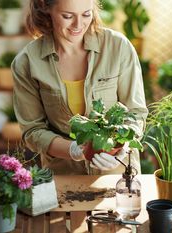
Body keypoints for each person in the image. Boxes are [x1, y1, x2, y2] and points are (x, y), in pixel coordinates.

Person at [12, 0, 148, 175]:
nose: (78, 25)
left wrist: (124, 145)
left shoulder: (118, 47)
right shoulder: (27, 62)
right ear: (47, 8)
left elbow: (135, 112)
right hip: (63, 173)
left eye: (86, 14)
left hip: (119, 173)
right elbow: (32, 131)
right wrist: (74, 150)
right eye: (67, 16)